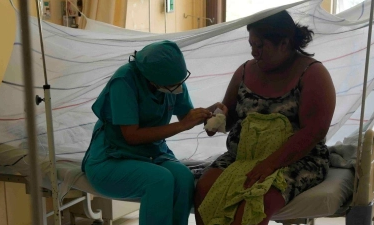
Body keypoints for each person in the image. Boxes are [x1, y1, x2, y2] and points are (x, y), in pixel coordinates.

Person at [194, 10, 336, 225]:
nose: (254, 53)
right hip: (244, 156)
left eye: (260, 46)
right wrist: (216, 118)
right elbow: (230, 117)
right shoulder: (244, 71)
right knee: (205, 188)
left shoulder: (312, 74)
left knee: (254, 200)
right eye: (251, 45)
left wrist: (270, 164)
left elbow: (314, 132)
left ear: (284, 43)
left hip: (296, 159)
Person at [81, 40, 212, 225]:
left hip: (152, 153)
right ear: (151, 78)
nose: (178, 88)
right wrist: (183, 125)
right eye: (173, 84)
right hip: (112, 157)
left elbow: (186, 117)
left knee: (184, 178)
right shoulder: (124, 81)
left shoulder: (172, 79)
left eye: (180, 82)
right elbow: (131, 136)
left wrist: (211, 113)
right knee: (160, 180)